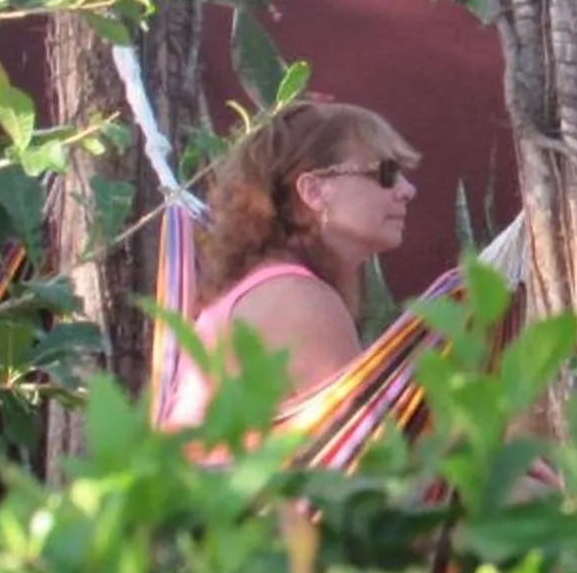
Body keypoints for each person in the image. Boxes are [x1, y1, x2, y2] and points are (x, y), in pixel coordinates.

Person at [152, 99, 420, 431]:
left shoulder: (265, 287)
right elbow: (368, 451)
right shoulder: (300, 302)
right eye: (385, 174)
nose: (408, 190)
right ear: (313, 190)